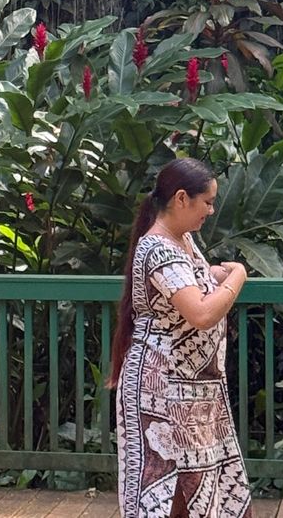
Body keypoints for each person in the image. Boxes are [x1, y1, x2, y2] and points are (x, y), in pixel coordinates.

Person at [109, 157, 252, 518]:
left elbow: (189, 282)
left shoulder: (182, 239)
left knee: (196, 487)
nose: (211, 210)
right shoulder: (159, 248)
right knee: (167, 490)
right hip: (162, 390)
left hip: (193, 389)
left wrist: (216, 274)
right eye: (207, 202)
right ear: (182, 198)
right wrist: (238, 276)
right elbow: (201, 314)